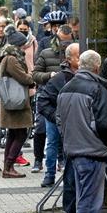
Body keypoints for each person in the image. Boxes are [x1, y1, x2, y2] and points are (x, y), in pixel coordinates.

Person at [57, 49, 107, 213]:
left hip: (73, 149)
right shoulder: (97, 89)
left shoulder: (65, 88)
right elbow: (104, 123)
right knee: (90, 200)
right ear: (97, 66)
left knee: (86, 197)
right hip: (92, 150)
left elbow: (59, 119)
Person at [36, 43, 79, 189]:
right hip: (55, 117)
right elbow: (43, 102)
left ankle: (69, 175)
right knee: (52, 143)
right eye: (78, 57)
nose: (81, 60)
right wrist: (54, 117)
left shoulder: (85, 77)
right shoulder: (58, 79)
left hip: (73, 120)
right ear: (69, 59)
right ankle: (50, 174)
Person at [0, 30, 35, 178]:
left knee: (13, 133)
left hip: (13, 101)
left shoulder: (8, 57)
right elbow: (23, 77)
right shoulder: (12, 59)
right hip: (16, 102)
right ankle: (8, 166)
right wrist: (32, 78)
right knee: (20, 133)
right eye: (22, 45)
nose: (24, 48)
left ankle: (8, 166)